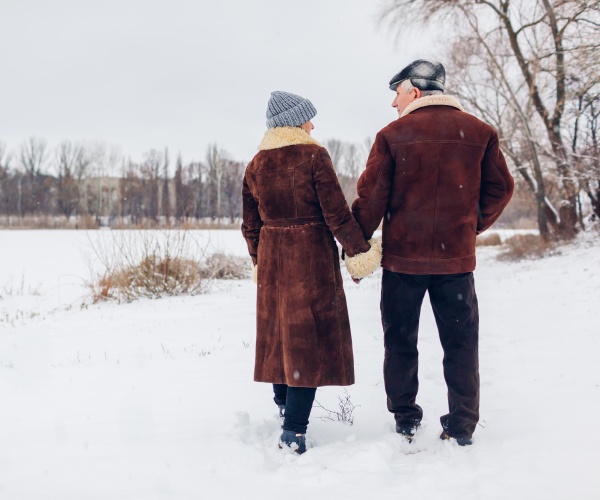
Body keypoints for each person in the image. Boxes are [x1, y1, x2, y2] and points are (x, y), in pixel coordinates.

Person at [351, 60, 514, 446]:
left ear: (416, 92)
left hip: (403, 264)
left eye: (398, 93)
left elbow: (371, 199)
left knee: (400, 341)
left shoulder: (393, 135)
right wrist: (469, 225)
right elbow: (501, 188)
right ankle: (461, 425)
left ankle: (406, 418)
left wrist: (357, 249)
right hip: (455, 264)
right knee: (461, 344)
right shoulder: (480, 132)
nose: (394, 103)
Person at [242, 91, 381, 454]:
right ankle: (294, 432)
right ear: (292, 121)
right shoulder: (314, 156)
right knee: (308, 341)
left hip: (273, 260)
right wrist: (360, 253)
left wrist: (260, 259)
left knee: (279, 337)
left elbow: (249, 224)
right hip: (310, 258)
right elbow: (336, 213)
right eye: (308, 118)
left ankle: (285, 409)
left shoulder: (255, 164)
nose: (312, 125)